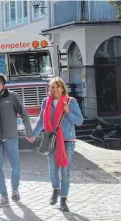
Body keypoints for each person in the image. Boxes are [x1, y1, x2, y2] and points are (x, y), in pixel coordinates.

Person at [28, 77, 83, 212]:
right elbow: (41, 120)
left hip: (67, 141)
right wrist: (34, 134)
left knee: (65, 171)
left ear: (63, 88)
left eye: (58, 87)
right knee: (52, 169)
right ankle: (55, 190)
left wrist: (68, 112)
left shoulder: (71, 102)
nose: (55, 89)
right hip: (51, 139)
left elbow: (80, 121)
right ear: (49, 89)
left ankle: (63, 200)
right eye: (52, 87)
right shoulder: (46, 102)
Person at [0, 74, 33, 208]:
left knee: (15, 166)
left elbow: (24, 113)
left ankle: (15, 188)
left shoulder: (13, 97)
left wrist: (29, 132)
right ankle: (3, 195)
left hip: (11, 137)